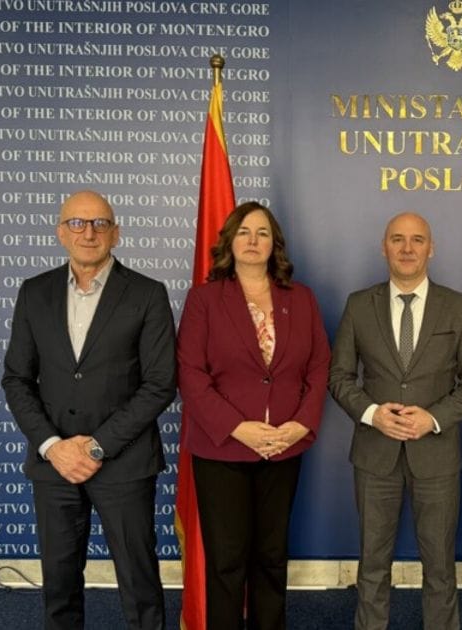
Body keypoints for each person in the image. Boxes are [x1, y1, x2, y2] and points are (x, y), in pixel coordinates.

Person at [2, 190, 175, 630]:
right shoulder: (34, 293)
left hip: (125, 463)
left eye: (100, 223)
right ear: (61, 232)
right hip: (55, 464)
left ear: (116, 233)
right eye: (77, 223)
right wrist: (53, 447)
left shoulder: (148, 294)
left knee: (139, 582)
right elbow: (17, 379)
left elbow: (160, 384)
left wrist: (96, 447)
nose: (89, 233)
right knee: (59, 583)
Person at [328, 212, 462, 630]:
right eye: (397, 239)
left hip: (436, 455)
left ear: (431, 248)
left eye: (417, 240)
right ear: (383, 247)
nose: (407, 248)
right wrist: (373, 414)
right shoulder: (358, 305)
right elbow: (339, 377)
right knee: (372, 564)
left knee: (440, 566)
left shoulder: (459, 307)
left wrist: (433, 418)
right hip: (374, 453)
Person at [176, 201, 330, 629]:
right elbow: (190, 373)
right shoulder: (205, 299)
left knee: (271, 557)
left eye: (262, 233)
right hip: (222, 450)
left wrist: (300, 424)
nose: (252, 240)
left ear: (274, 244)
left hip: (283, 447)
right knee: (226, 561)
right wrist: (238, 428)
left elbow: (320, 365)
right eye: (243, 232)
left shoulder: (301, 298)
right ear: (229, 241)